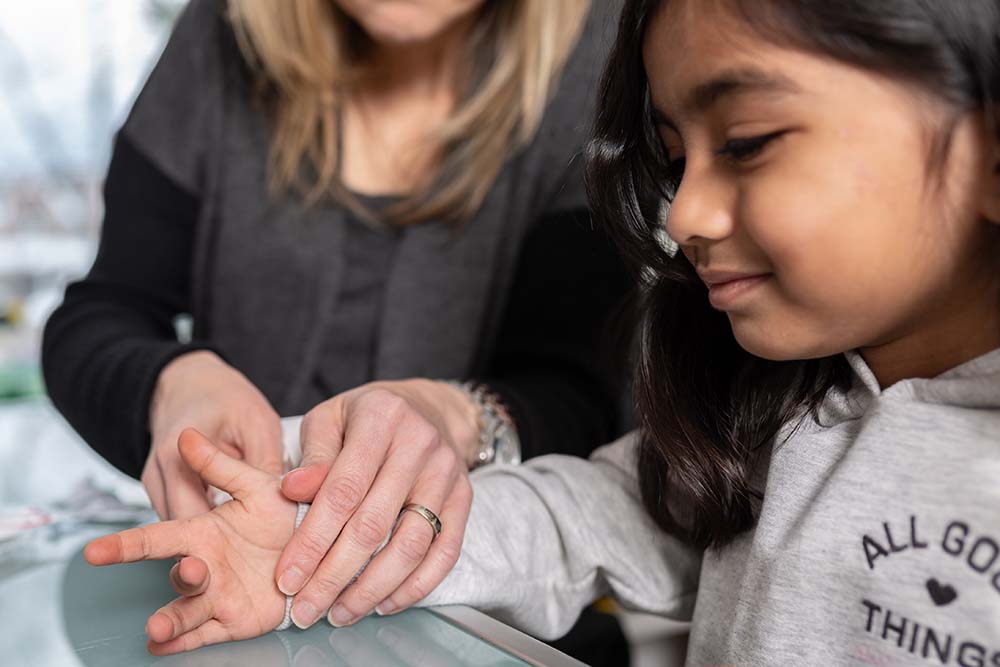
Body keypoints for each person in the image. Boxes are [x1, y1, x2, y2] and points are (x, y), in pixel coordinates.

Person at [84, 0, 1000, 661]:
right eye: (672, 162)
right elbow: (576, 512)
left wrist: (451, 424)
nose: (678, 219)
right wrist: (314, 529)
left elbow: (567, 390)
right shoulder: (768, 418)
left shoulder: (590, 52)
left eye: (749, 141)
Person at [43, 0, 632, 653]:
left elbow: (587, 398)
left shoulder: (600, 54)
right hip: (234, 606)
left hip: (484, 625)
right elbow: (97, 315)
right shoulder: (223, 34)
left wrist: (460, 417)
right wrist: (170, 382)